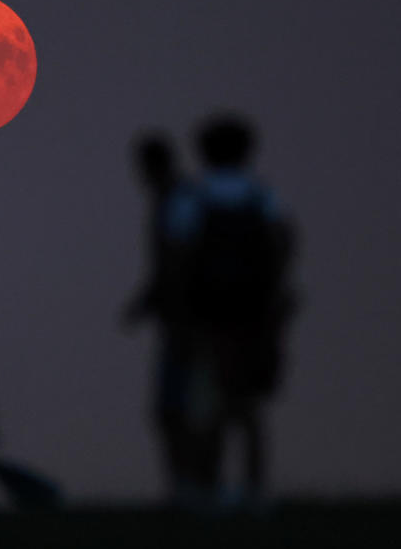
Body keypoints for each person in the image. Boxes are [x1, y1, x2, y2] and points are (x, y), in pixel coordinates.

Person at [164, 114, 296, 510]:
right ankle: (254, 490)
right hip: (254, 316)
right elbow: (284, 249)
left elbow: (178, 259)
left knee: (207, 407)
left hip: (207, 316)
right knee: (249, 409)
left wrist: (179, 313)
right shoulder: (263, 198)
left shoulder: (192, 200)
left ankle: (209, 489)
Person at [121, 132, 195, 503]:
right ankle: (188, 487)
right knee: (180, 409)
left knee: (174, 410)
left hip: (186, 321)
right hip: (182, 318)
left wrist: (146, 301)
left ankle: (187, 488)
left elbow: (175, 260)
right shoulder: (177, 198)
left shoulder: (174, 200)